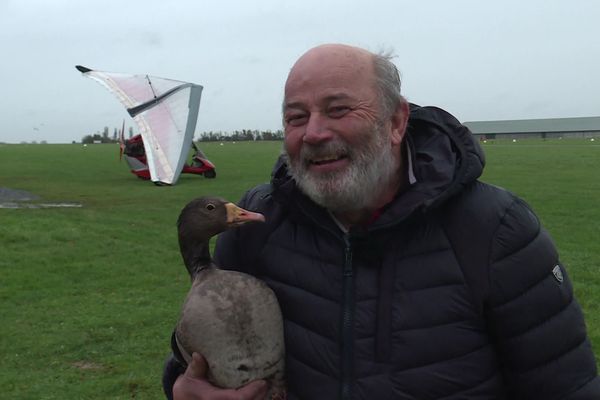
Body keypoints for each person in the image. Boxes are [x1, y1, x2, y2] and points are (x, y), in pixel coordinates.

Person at [163, 44, 600, 399]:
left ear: (395, 121)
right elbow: (200, 355)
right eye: (296, 117)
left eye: (338, 110)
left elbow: (567, 386)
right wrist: (185, 387)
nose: (313, 133)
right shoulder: (258, 224)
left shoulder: (498, 230)